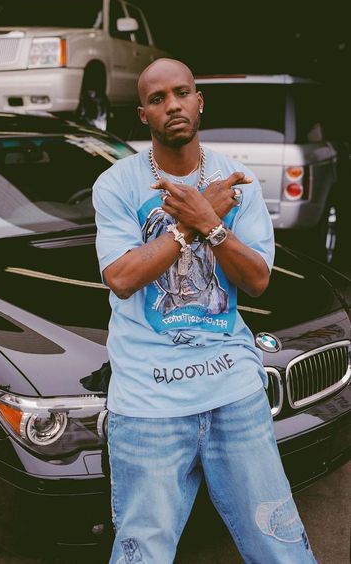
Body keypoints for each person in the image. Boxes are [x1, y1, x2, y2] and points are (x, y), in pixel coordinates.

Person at [92, 58, 316, 564]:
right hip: (148, 400)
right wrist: (189, 225)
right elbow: (123, 278)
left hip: (233, 391)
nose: (171, 104)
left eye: (181, 92)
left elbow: (257, 280)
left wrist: (212, 224)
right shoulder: (116, 185)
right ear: (143, 114)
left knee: (279, 543)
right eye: (156, 98)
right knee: (140, 553)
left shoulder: (237, 180)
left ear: (199, 100)